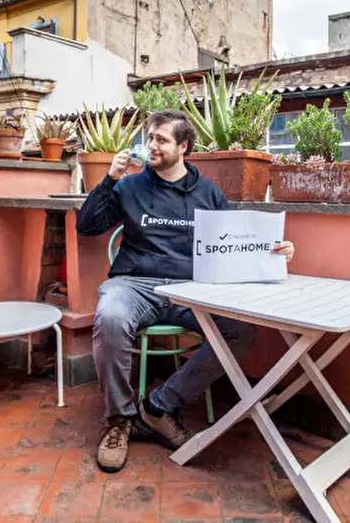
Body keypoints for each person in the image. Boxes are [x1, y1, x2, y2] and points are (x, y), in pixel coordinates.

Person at [75, 109, 295, 473]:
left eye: (161, 140)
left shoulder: (209, 193)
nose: (152, 146)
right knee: (110, 317)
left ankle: (159, 406)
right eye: (150, 139)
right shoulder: (129, 185)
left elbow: (234, 247)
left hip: (191, 289)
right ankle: (118, 420)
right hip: (135, 283)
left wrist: (275, 251)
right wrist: (110, 178)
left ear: (183, 146)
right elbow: (87, 226)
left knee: (241, 330)